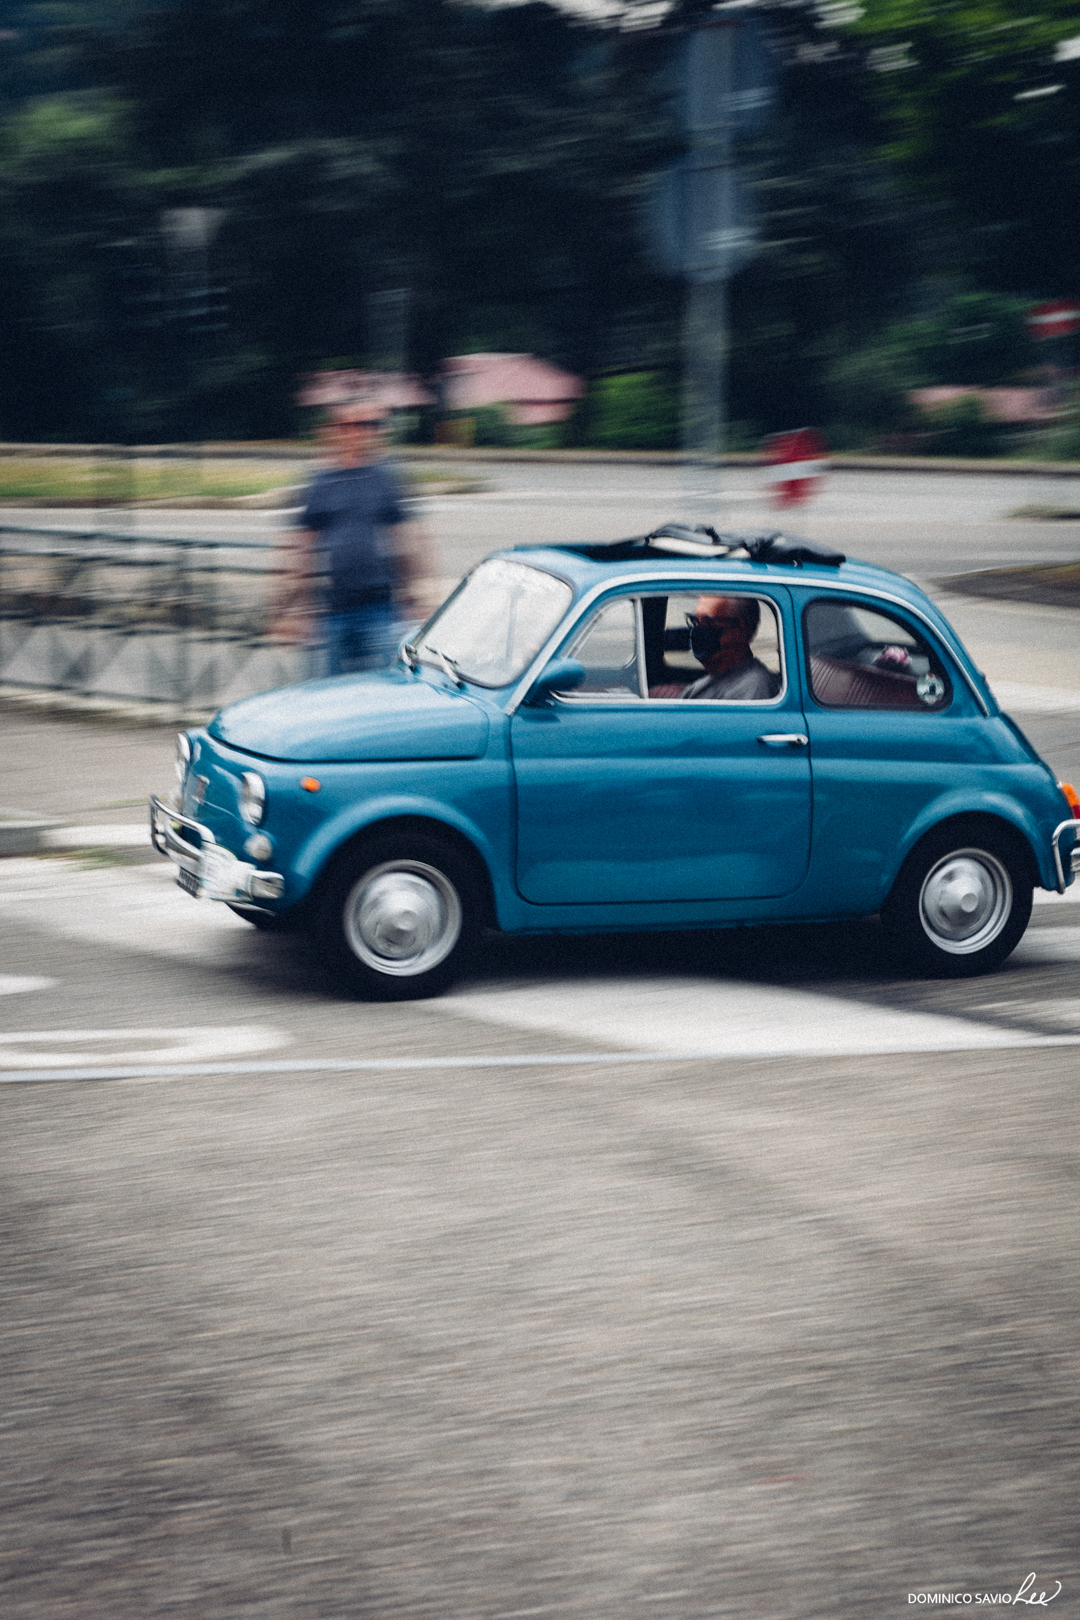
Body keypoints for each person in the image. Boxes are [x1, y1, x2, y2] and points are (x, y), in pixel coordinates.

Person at [297, 404, 432, 675]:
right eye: (348, 426)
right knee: (328, 694)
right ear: (334, 432)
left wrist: (415, 598)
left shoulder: (385, 478)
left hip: (379, 608)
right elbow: (303, 547)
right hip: (333, 610)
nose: (357, 433)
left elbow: (406, 540)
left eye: (367, 426)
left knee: (380, 689)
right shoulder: (321, 481)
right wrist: (296, 609)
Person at [679, 594, 780, 701]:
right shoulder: (712, 680)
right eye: (695, 621)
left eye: (708, 622)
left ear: (740, 631)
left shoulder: (752, 688)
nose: (698, 630)